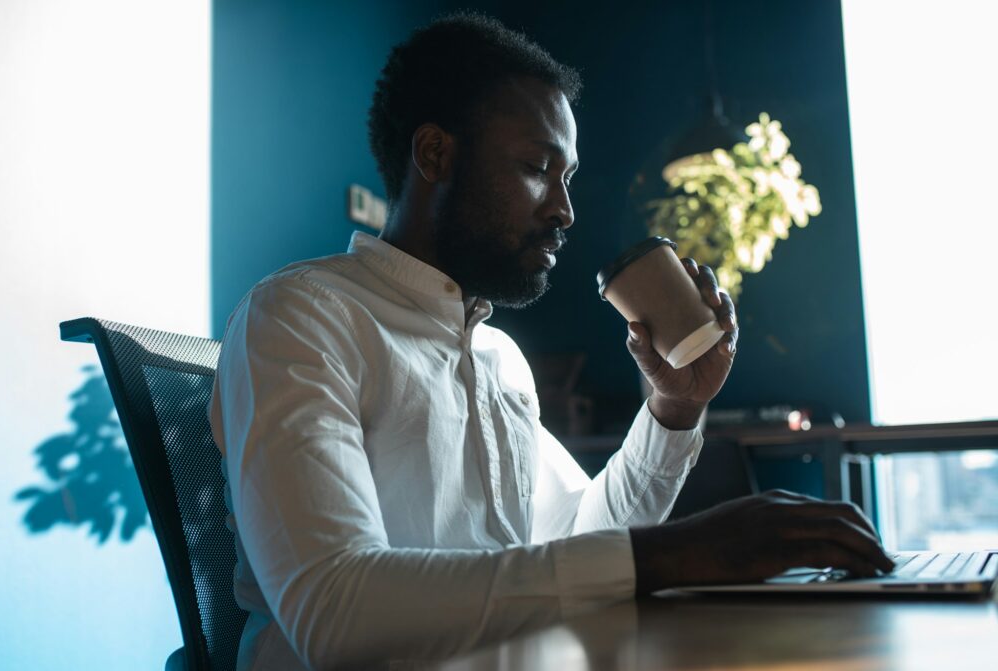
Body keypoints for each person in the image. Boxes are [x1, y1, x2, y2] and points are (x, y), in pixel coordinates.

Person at [209, 12, 894, 670]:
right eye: (538, 167)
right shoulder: (301, 316)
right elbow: (335, 609)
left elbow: (581, 538)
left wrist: (671, 408)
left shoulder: (498, 357)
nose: (564, 209)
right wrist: (682, 552)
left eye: (565, 178)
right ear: (435, 153)